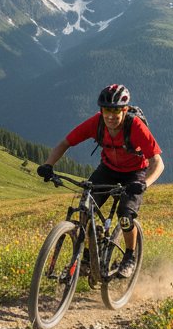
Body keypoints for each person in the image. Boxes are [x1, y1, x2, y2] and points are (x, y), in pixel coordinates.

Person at [37, 84, 164, 278]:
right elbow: (65, 143)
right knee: (86, 208)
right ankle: (88, 257)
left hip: (135, 173)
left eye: (115, 110)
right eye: (106, 110)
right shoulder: (96, 123)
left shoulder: (135, 126)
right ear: (101, 110)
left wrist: (144, 183)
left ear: (124, 109)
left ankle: (129, 256)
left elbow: (158, 163)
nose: (110, 115)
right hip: (108, 170)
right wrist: (48, 165)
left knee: (125, 215)